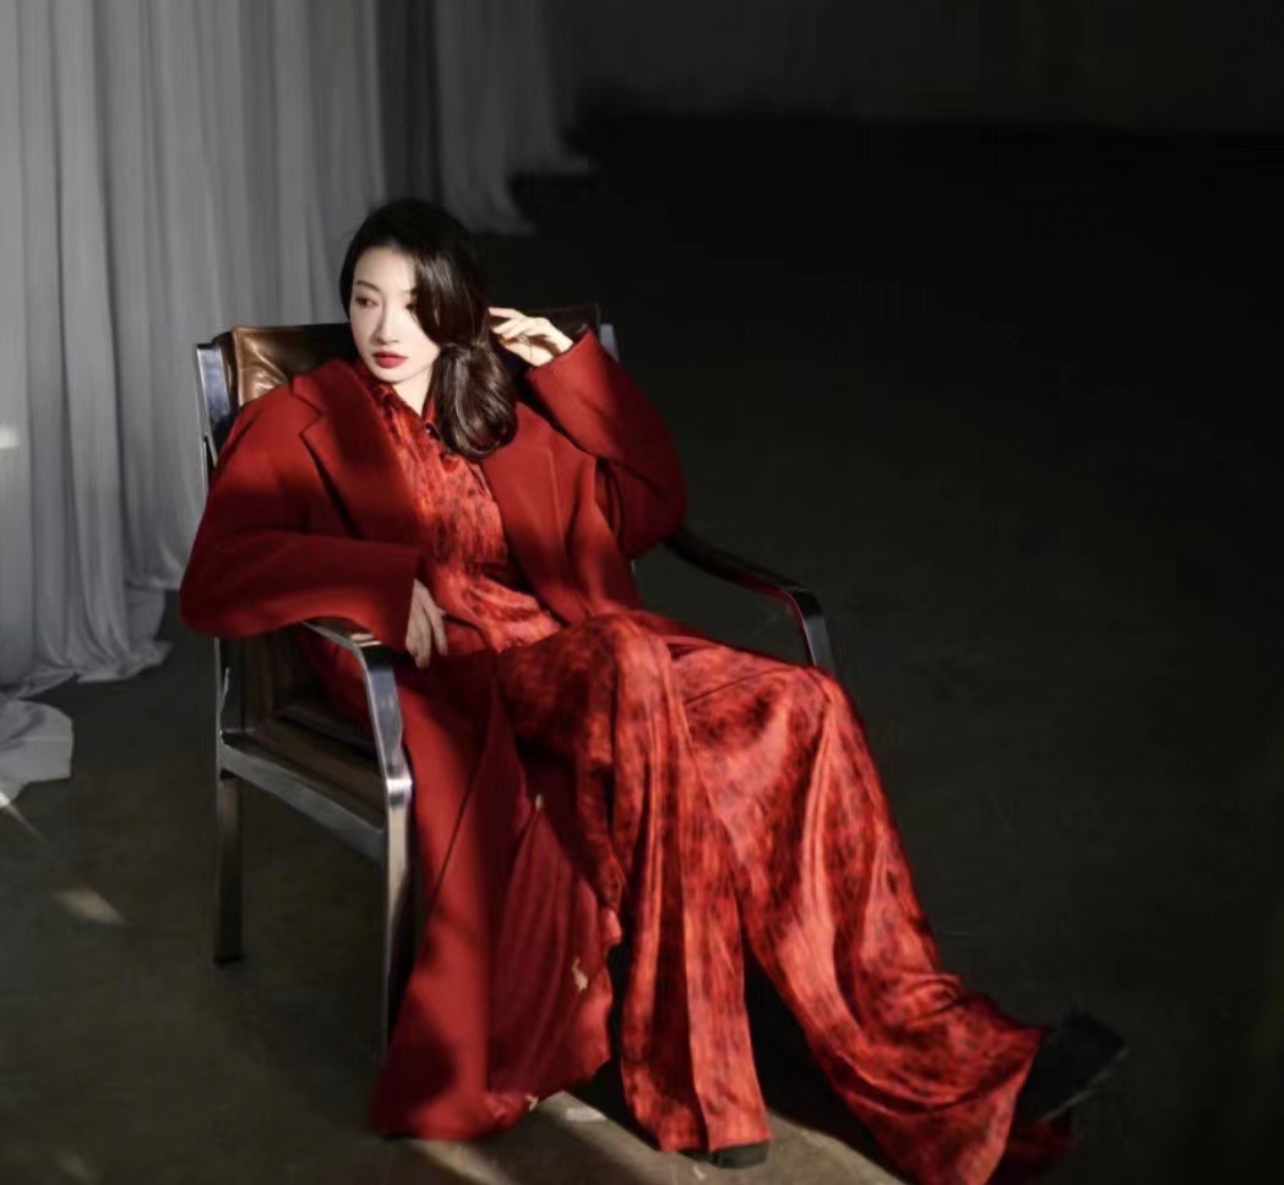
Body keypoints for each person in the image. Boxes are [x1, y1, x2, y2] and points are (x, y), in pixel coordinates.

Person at [180, 198, 1123, 1182]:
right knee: (629, 654)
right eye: (367, 300)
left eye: (416, 304)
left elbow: (651, 502)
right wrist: (376, 579)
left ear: (457, 312)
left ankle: (940, 1051)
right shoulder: (300, 418)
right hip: (466, 677)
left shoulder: (493, 407)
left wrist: (569, 369)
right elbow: (215, 576)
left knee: (808, 705)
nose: (386, 327)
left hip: (582, 653)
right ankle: (693, 1069)